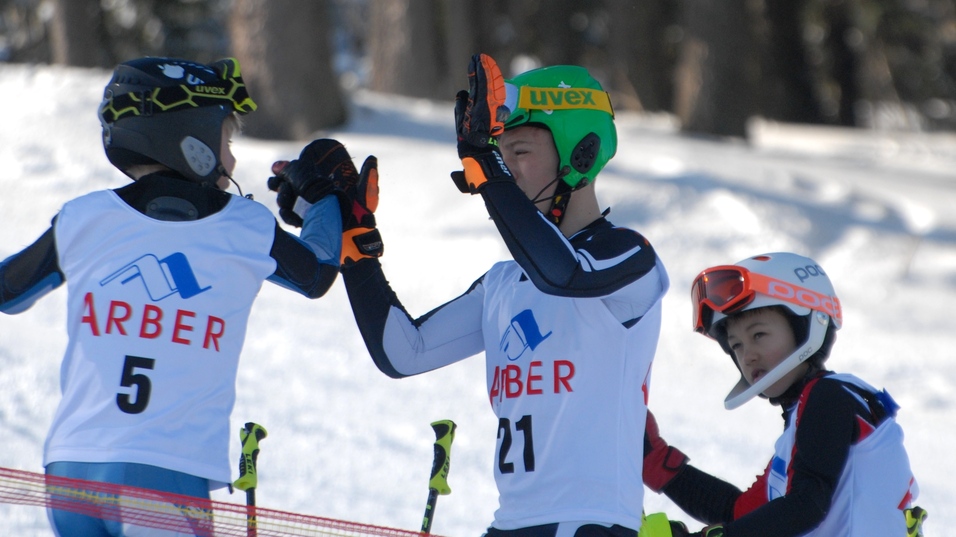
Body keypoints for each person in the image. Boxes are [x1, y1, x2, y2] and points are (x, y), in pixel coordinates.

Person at [278, 53, 670, 536]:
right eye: (501, 156)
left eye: (520, 153)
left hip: (591, 524)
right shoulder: (504, 285)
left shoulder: (628, 257)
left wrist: (485, 163)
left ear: (580, 156)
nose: (509, 171)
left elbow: (565, 276)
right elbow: (404, 352)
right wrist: (355, 246)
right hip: (511, 526)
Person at [0, 57, 353, 536]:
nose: (230, 159)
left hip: (71, 469)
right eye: (226, 141)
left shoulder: (83, 218)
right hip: (163, 471)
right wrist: (323, 199)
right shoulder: (243, 226)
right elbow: (317, 273)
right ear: (193, 139)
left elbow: (8, 291)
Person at [641, 252, 926, 537]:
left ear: (806, 326)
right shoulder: (803, 416)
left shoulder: (830, 397)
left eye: (759, 335)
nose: (748, 356)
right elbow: (740, 512)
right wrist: (657, 462)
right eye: (736, 345)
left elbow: (806, 506)